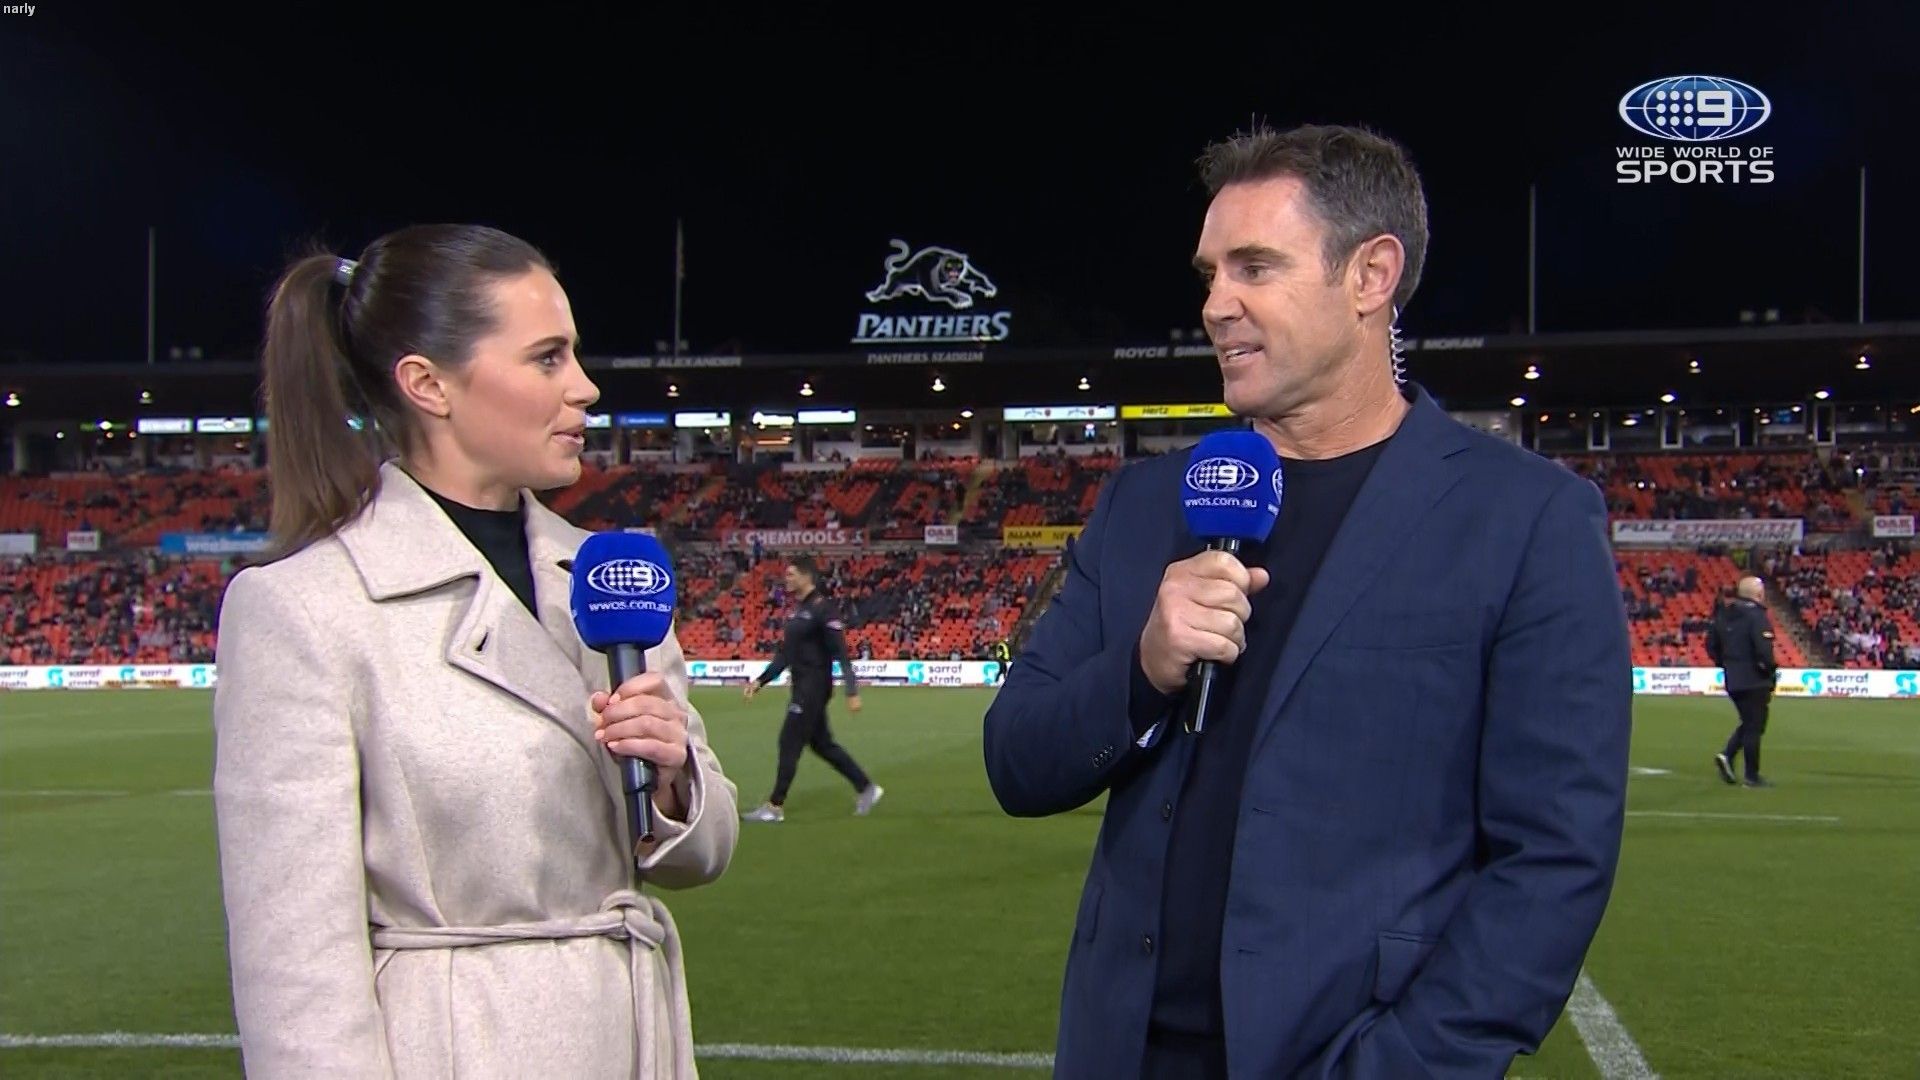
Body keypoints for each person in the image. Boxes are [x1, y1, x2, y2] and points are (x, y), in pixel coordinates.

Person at [982, 124, 1632, 1079]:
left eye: (1255, 267)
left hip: (1343, 1057)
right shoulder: (1141, 506)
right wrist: (1145, 671)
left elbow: (1554, 858)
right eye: (1209, 274)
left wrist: (1400, 1066)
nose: (1216, 304)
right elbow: (1016, 759)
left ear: (1371, 276)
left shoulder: (1526, 519)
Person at [211, 225, 737, 1078]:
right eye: (547, 358)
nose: (586, 387)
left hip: (633, 1041)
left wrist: (675, 778)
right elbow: (295, 973)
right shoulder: (305, 609)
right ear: (428, 384)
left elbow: (706, 852)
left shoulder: (607, 576)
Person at [741, 555, 884, 821]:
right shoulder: (798, 611)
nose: (786, 579)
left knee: (789, 741)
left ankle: (774, 807)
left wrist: (852, 691)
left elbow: (841, 653)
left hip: (814, 688)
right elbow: (786, 654)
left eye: (791, 574)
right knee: (822, 744)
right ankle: (866, 788)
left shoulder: (823, 609)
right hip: (802, 687)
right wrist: (760, 681)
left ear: (806, 576)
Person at [1708, 575, 1779, 787]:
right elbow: (1763, 649)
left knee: (1750, 723)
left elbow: (1711, 645)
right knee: (1755, 726)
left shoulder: (1724, 615)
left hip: (1734, 678)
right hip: (1755, 679)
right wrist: (1769, 670)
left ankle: (1728, 756)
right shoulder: (1757, 616)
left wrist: (1727, 664)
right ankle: (1751, 775)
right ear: (1758, 594)